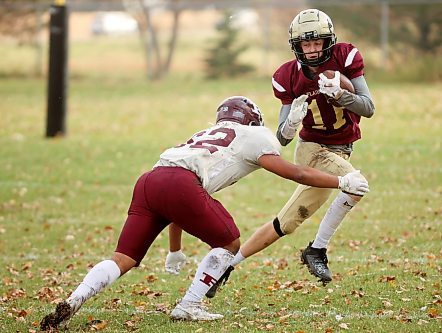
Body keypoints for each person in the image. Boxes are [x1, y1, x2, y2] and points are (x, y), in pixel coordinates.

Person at [40, 96, 369, 329]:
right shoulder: (252, 134)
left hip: (150, 181)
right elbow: (293, 172)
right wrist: (341, 179)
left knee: (123, 258)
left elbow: (175, 196)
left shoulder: (201, 138)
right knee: (229, 242)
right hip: (180, 185)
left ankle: (75, 298)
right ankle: (189, 305)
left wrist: (175, 250)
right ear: (252, 120)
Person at [205, 8, 375, 297]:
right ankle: (318, 249)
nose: (311, 50)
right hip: (313, 151)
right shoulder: (288, 76)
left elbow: (368, 108)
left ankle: (227, 266)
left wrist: (342, 96)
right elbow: (283, 138)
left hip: (340, 150)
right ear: (297, 47)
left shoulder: (345, 58)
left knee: (286, 222)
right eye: (306, 45)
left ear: (328, 42)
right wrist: (292, 123)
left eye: (317, 43)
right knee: (356, 185)